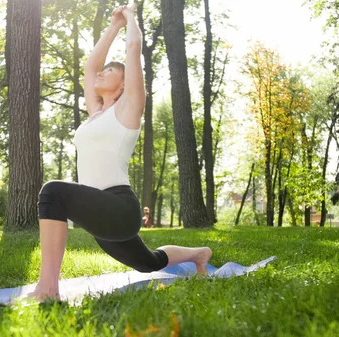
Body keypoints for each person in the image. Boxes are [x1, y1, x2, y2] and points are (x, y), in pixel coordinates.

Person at [29, 3, 212, 302]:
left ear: (125, 83)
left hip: (119, 206)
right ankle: (199, 254)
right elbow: (90, 67)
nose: (100, 73)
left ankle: (47, 290)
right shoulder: (95, 114)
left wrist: (130, 17)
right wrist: (112, 25)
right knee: (147, 263)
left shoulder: (128, 110)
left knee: (53, 193)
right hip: (101, 213)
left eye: (110, 71)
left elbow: (133, 48)